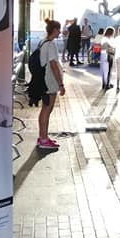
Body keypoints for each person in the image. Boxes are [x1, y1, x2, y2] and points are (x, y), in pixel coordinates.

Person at [37, 20, 66, 151]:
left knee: (45, 108)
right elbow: (53, 65)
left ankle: (43, 136)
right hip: (50, 80)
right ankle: (43, 139)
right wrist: (61, 84)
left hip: (44, 80)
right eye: (58, 29)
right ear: (54, 30)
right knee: (47, 109)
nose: (60, 32)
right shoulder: (51, 44)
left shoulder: (43, 42)